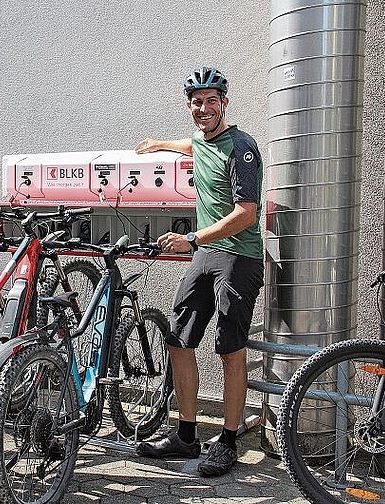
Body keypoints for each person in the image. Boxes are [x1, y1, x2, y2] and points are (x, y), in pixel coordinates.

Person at [134, 67, 264, 478]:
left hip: (237, 257)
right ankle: (185, 435)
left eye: (211, 101)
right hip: (206, 254)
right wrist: (158, 144)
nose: (203, 108)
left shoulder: (242, 148)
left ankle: (227, 442)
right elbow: (190, 145)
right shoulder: (199, 140)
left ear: (225, 103)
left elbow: (246, 214)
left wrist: (192, 239)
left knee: (229, 349)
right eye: (196, 101)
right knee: (178, 339)